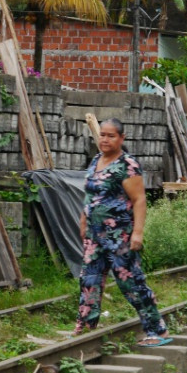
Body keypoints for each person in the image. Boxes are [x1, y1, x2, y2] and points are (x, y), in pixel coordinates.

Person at [72, 118, 172, 347]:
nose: (105, 139)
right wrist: (83, 220)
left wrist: (137, 233)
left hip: (120, 236)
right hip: (95, 236)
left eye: (111, 136)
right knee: (89, 279)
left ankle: (157, 330)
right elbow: (90, 195)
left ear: (121, 138)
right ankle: (85, 327)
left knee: (131, 283)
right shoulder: (96, 160)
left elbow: (139, 200)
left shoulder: (127, 165)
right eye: (102, 135)